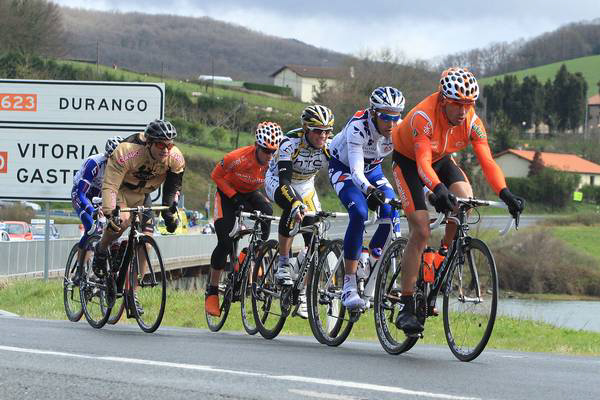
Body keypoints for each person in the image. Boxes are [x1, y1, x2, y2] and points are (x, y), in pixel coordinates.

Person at [391, 67, 525, 335]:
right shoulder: (423, 117)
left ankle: (440, 256)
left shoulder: (472, 121)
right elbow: (421, 164)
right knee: (420, 228)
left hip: (440, 160)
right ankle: (406, 303)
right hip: (410, 162)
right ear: (443, 100)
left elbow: (487, 161)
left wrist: (505, 193)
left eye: (469, 104)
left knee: (465, 198)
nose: (463, 111)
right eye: (457, 105)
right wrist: (438, 190)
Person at [92, 119, 185, 313]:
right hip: (121, 190)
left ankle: (132, 292)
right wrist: (110, 211)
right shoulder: (127, 151)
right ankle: (101, 248)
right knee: (123, 221)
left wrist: (170, 212)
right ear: (149, 142)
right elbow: (110, 185)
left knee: (148, 240)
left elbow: (173, 187)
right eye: (160, 144)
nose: (166, 149)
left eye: (169, 144)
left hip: (143, 195)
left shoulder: (175, 157)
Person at [328, 86, 405, 309]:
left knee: (391, 209)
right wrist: (370, 191)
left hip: (374, 170)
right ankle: (349, 285)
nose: (391, 123)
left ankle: (372, 259)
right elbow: (356, 173)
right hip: (345, 168)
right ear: (373, 113)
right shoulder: (358, 128)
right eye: (385, 117)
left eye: (395, 117)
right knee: (360, 212)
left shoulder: (399, 129)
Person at [204, 122, 283, 317]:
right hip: (227, 194)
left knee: (267, 211)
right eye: (266, 151)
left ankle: (251, 253)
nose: (269, 156)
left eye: (273, 151)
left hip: (250, 194)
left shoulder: (274, 162)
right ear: (257, 146)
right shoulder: (237, 158)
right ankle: (212, 290)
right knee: (225, 241)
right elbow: (216, 175)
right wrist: (232, 196)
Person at [265, 104, 334, 319]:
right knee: (292, 205)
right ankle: (284, 263)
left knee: (314, 237)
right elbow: (285, 180)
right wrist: (295, 203)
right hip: (279, 180)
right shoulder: (289, 144)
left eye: (327, 131)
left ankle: (303, 293)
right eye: (317, 131)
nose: (322, 136)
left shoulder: (329, 146)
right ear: (305, 129)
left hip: (306, 185)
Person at [71, 135, 124, 283]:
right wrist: (91, 209)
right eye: (112, 161)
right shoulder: (94, 164)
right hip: (83, 194)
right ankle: (80, 271)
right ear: (107, 157)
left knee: (113, 229)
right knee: (91, 228)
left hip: (102, 196)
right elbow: (81, 193)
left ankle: (107, 272)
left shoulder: (122, 169)